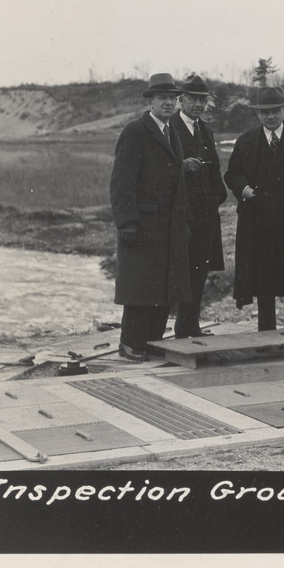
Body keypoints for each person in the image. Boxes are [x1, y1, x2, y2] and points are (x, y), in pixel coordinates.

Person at [109, 73, 193, 361]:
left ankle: (152, 342)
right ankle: (130, 344)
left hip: (168, 226)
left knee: (163, 286)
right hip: (143, 226)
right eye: (162, 98)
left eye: (172, 98)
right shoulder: (135, 131)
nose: (168, 102)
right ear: (151, 102)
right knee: (139, 288)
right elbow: (121, 181)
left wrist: (183, 224)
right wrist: (127, 222)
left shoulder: (171, 132)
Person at [224, 86, 284, 332]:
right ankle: (266, 338)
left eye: (275, 111)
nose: (270, 116)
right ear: (257, 114)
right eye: (265, 112)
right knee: (264, 281)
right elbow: (233, 174)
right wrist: (245, 191)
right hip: (260, 222)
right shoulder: (246, 141)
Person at [171, 73, 228, 338]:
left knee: (199, 271)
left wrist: (218, 196)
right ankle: (171, 328)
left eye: (202, 100)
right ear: (181, 100)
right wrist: (181, 168)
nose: (198, 104)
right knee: (178, 271)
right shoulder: (169, 127)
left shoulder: (206, 130)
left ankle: (188, 326)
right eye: (193, 99)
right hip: (181, 216)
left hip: (207, 216)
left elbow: (215, 168)